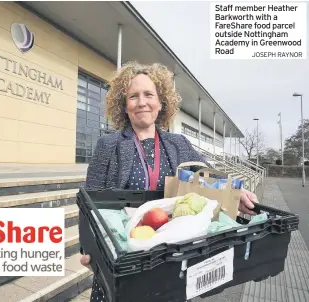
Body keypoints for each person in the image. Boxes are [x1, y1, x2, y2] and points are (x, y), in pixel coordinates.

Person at [79, 61, 258, 301]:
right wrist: (90, 250)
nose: (141, 102)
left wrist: (239, 193)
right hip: (123, 254)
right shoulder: (108, 145)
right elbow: (89, 201)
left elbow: (209, 174)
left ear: (161, 102)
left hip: (169, 256)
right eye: (133, 96)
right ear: (124, 105)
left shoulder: (178, 144)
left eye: (148, 95)